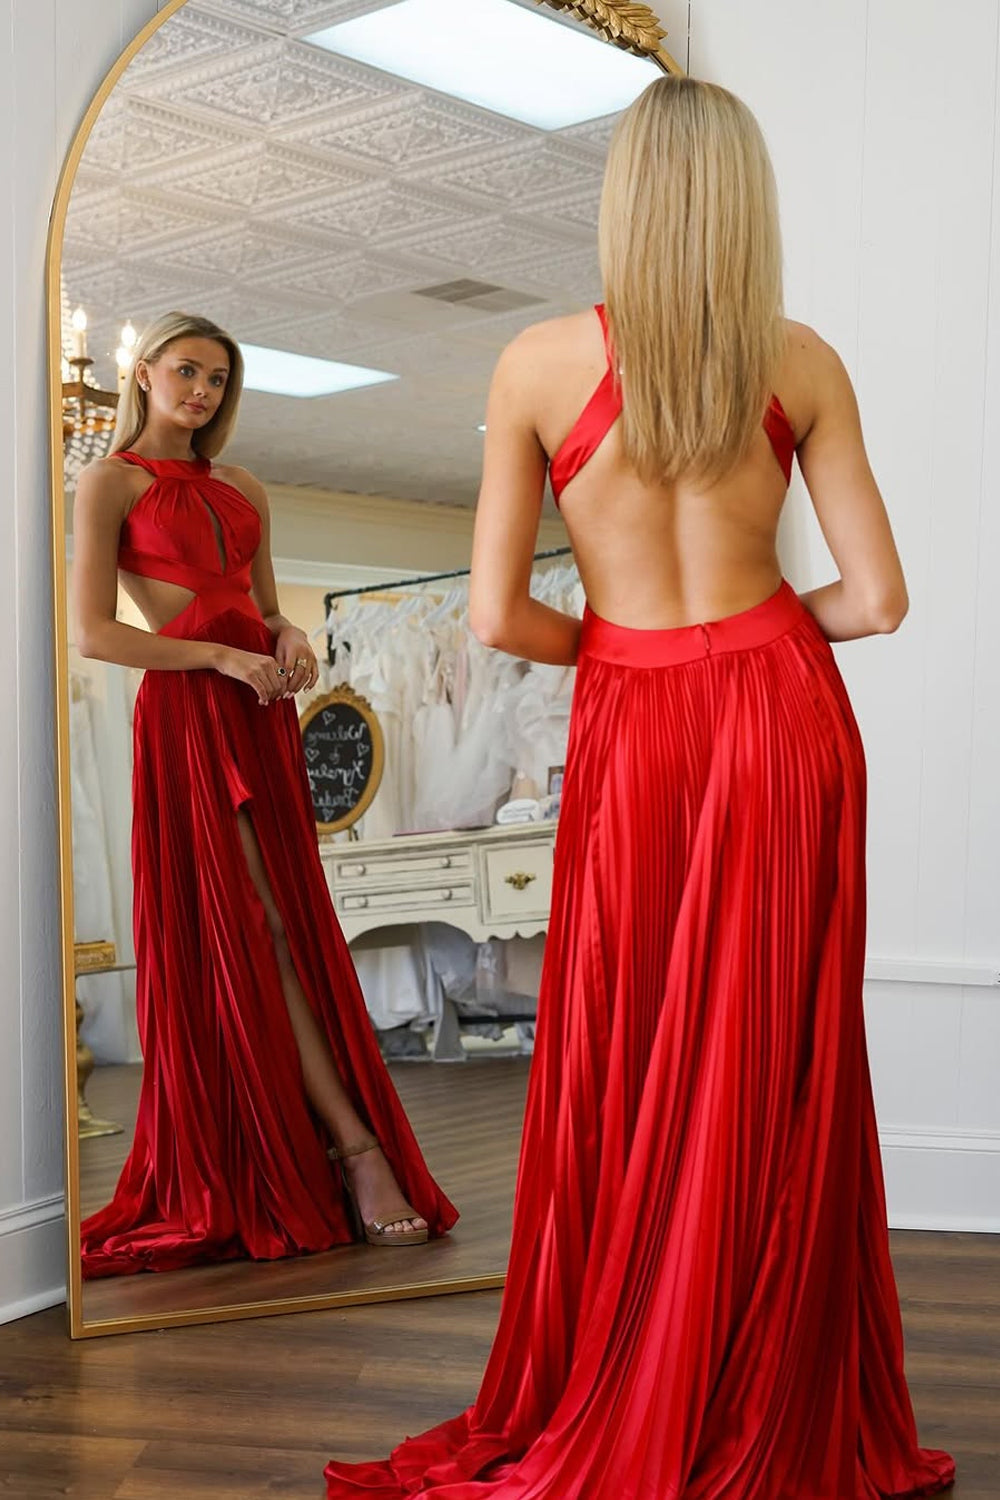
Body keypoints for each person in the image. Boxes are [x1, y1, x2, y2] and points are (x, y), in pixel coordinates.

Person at [324, 77, 955, 1498]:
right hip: (780, 720)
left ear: (622, 201)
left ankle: (638, 1362)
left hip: (636, 726)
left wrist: (627, 652)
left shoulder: (535, 364)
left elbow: (497, 616)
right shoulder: (801, 362)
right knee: (773, 1055)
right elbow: (876, 600)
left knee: (628, 1041)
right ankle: (762, 1382)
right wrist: (756, 639)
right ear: (747, 205)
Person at [74, 311, 456, 1277]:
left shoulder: (243, 485)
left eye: (217, 379)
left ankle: (325, 1144)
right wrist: (218, 657)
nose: (202, 392)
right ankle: (354, 1150)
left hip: (259, 711)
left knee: (293, 921)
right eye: (186, 371)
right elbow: (95, 634)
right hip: (189, 715)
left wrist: (288, 637)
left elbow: (269, 606)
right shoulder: (111, 482)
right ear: (144, 373)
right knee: (256, 924)